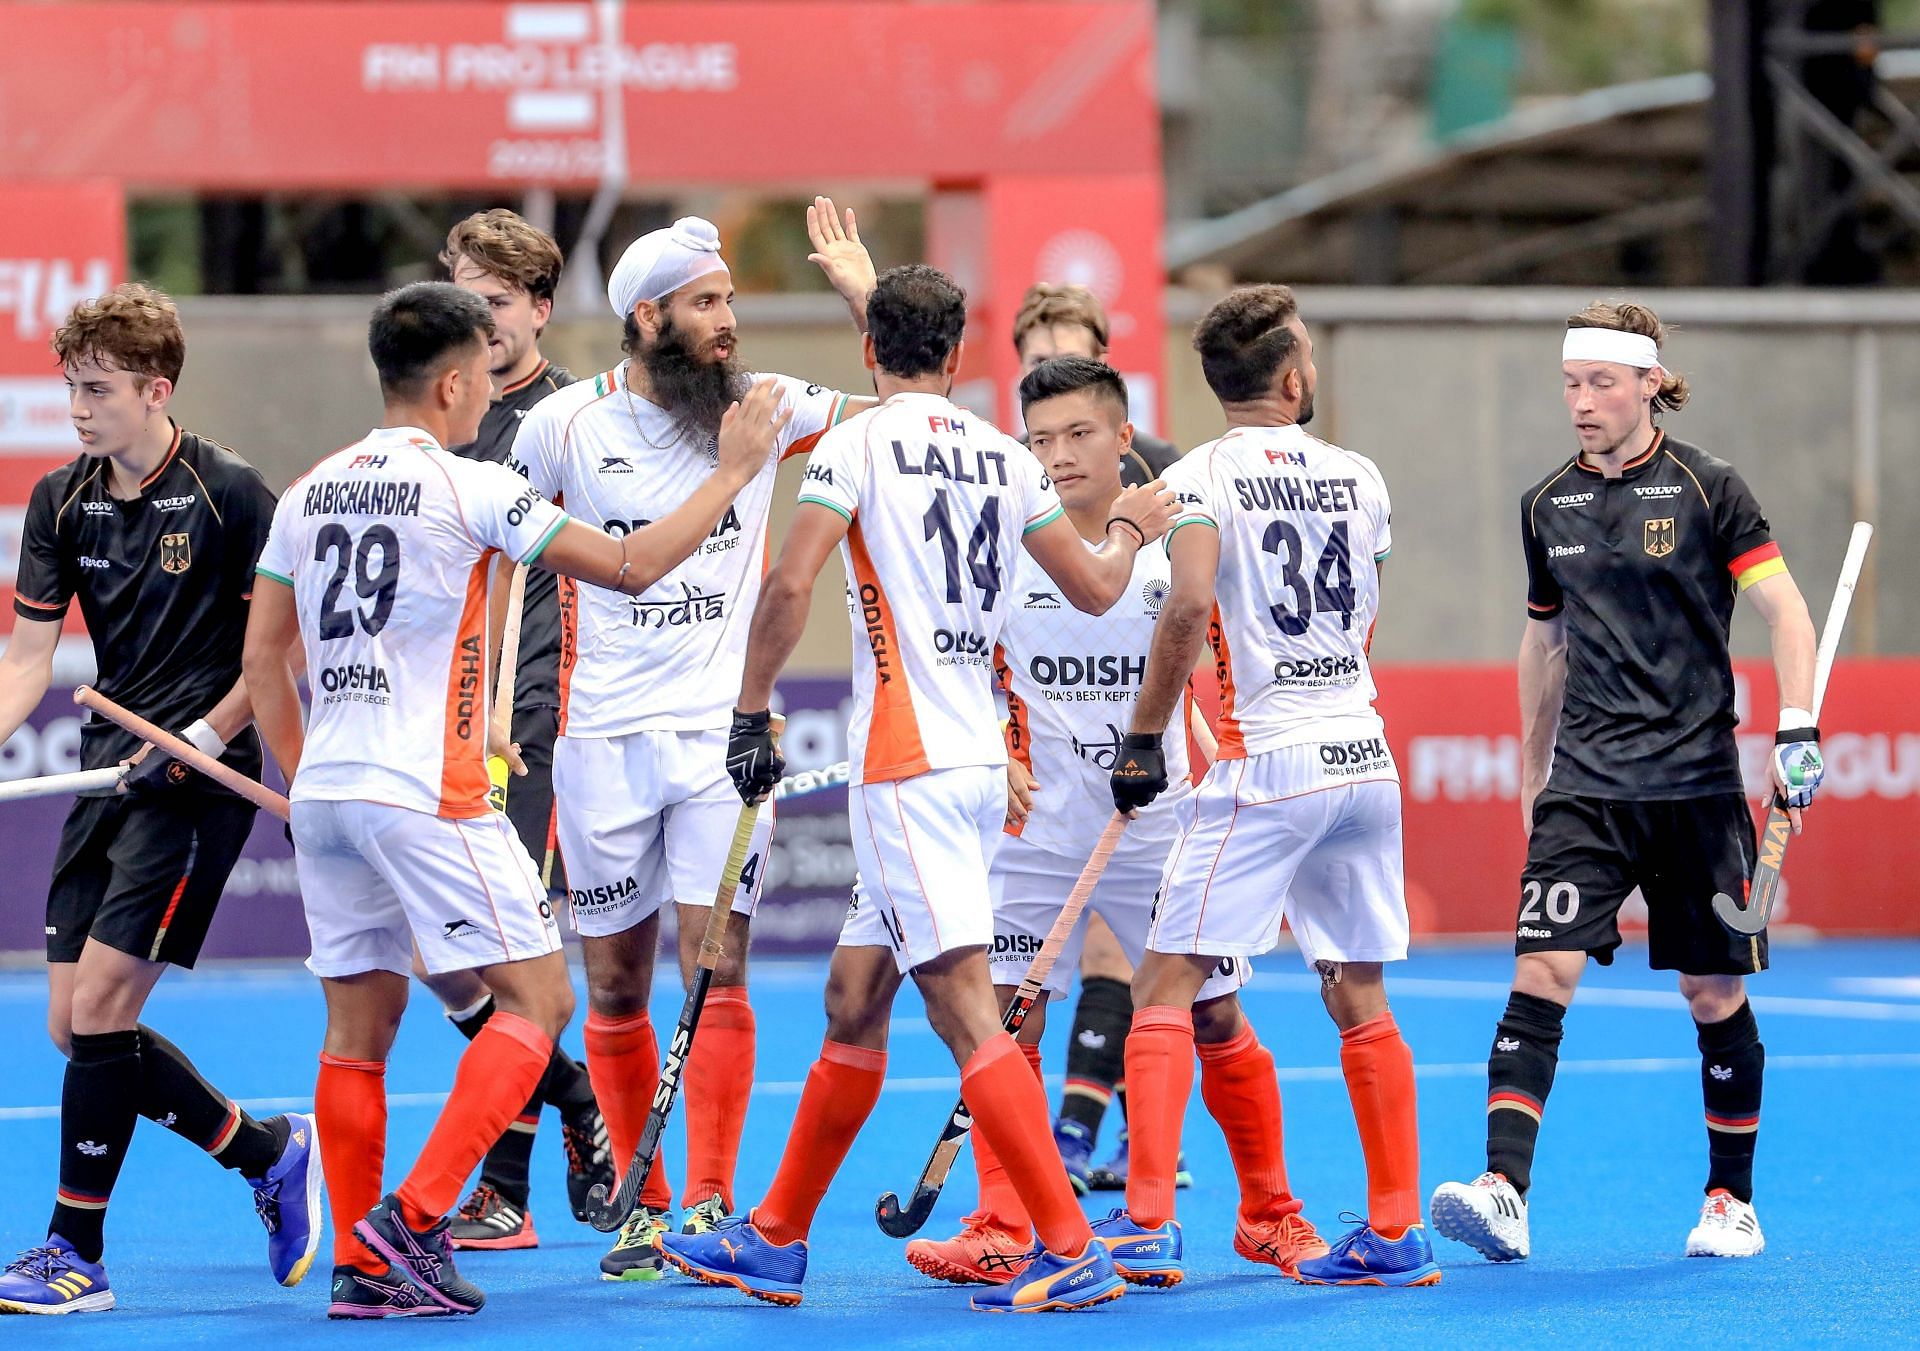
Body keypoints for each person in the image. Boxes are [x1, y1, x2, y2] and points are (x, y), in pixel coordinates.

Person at [242, 281, 793, 1318]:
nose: (487, 400)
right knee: (540, 1002)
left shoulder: (307, 492)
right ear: (453, 383)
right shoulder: (469, 487)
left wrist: (302, 775)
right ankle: (413, 1217)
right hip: (426, 789)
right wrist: (728, 477)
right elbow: (629, 565)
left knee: (356, 1032)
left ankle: (366, 1272)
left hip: (325, 792)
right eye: (483, 381)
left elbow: (263, 660)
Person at [657, 263, 1174, 1313]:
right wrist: (1133, 523)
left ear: (867, 353)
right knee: (855, 995)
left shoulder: (849, 445)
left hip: (908, 768)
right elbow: (1098, 584)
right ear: (957, 355)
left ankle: (1067, 1244)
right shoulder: (1002, 454)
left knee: (965, 1012)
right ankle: (777, 1237)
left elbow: (792, 581)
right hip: (979, 763)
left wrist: (750, 708)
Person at [511, 199, 876, 1279]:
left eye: (730, 299)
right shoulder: (562, 427)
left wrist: (863, 294)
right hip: (599, 738)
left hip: (723, 737)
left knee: (717, 965)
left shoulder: (766, 406)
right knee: (615, 981)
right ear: (648, 315)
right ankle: (643, 1200)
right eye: (708, 303)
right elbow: (492, 556)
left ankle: (711, 1195)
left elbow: (911, 416)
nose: (729, 320)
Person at [1429, 301, 1823, 1264]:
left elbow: (1786, 613)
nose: (1581, 402)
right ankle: (1504, 1191)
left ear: (1650, 382)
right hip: (1589, 788)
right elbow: (1545, 639)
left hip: (1696, 788)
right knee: (1540, 971)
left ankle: (1731, 1199)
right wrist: (1533, 769)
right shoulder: (1545, 505)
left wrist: (1798, 729)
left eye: (1601, 382)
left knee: (1711, 991)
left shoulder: (1712, 488)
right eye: (1571, 383)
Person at [1099, 283, 1439, 1290]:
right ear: (1292, 379)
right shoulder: (1360, 476)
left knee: (1166, 981)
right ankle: (1394, 1228)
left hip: (1267, 761)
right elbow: (1365, 597)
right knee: (1358, 990)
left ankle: (1149, 1223)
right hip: (1362, 755)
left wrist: (1147, 733)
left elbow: (1192, 600)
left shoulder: (1199, 474)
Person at [0, 284, 318, 1316]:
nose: (79, 410)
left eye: (97, 391)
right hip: (110, 771)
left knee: (101, 1011)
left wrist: (212, 729)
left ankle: (73, 1252)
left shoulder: (232, 494)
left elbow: (283, 644)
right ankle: (263, 1151)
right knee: (70, 1025)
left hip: (199, 782)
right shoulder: (61, 501)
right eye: (70, 389)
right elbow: (26, 656)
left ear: (155, 389)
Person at [900, 354, 1238, 1287]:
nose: (1057, 455)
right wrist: (997, 750)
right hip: (1036, 831)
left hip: (1155, 818)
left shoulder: (1176, 547)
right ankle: (1002, 1222)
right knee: (1008, 1018)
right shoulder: (1008, 545)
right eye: (1040, 439)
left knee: (1210, 1013)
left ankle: (1253, 1215)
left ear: (1125, 437)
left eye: (1079, 434)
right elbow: (962, 660)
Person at [425, 208, 611, 1251]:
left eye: (497, 303)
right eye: (466, 297)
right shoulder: (441, 406)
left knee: (506, 948)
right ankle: (576, 1097)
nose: (478, 320)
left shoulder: (568, 420)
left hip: (526, 715)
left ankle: (505, 1189)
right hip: (432, 718)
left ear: (539, 310)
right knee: (438, 952)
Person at [1012, 283, 1179, 487]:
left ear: (1100, 365)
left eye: (1071, 360)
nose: (1053, 374)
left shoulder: (1157, 463)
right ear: (1021, 370)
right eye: (1039, 362)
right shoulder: (1007, 467)